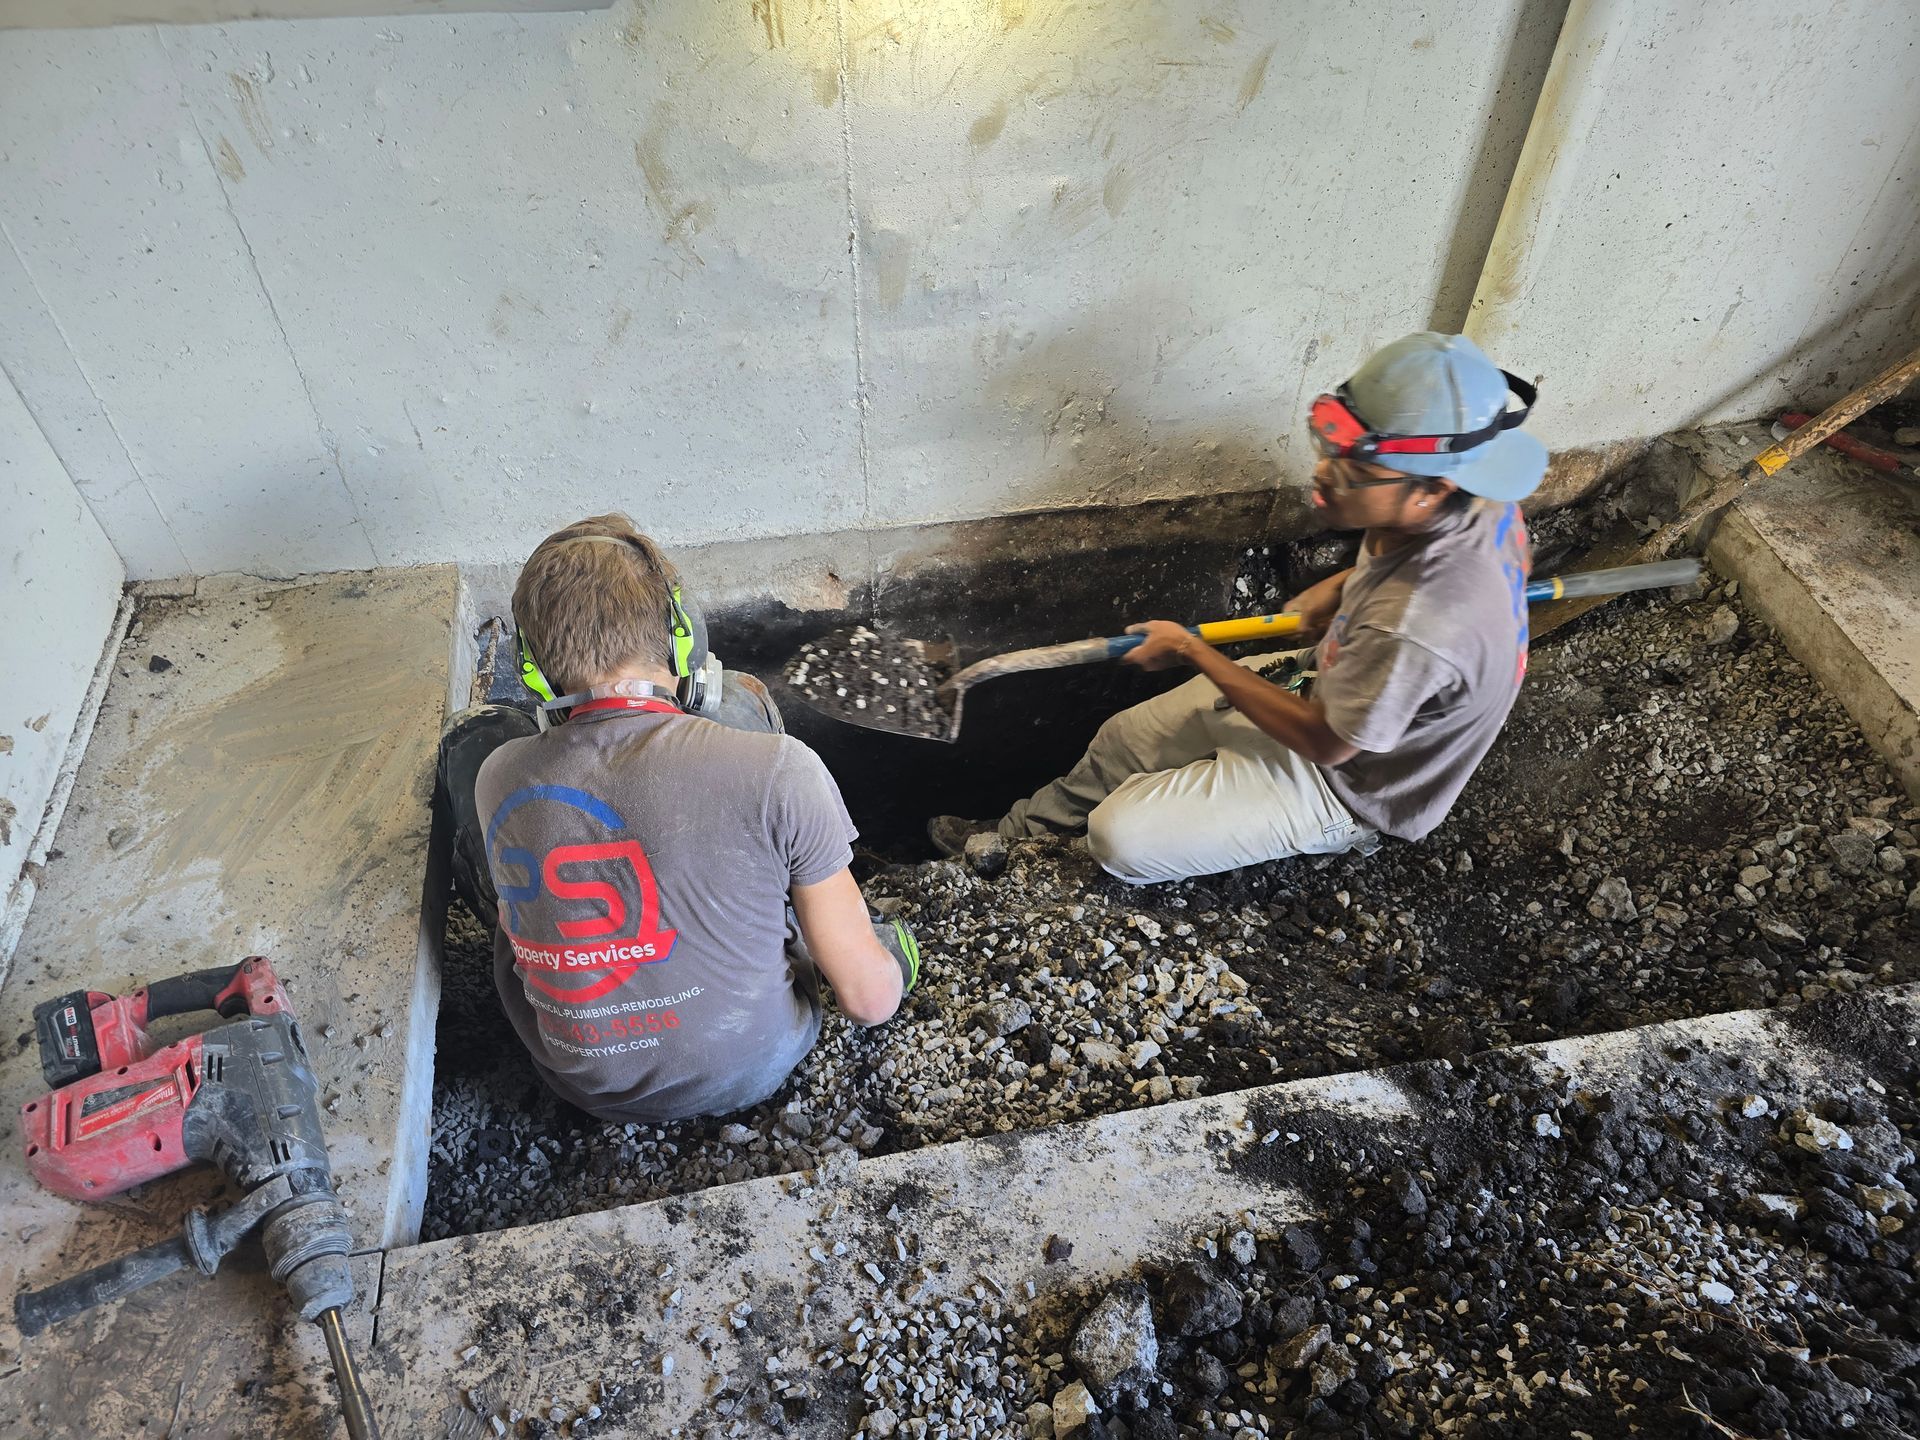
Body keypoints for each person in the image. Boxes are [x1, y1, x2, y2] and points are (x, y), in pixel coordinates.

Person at [930, 332, 1545, 886]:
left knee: (1121, 837)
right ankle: (1011, 839)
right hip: (1337, 677)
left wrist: (1193, 650)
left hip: (1350, 783)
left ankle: (1050, 874)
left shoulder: (1416, 622)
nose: (1325, 474)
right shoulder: (1481, 502)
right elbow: (1409, 582)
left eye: (1355, 472)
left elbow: (1328, 743)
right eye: (1329, 445)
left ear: (1431, 489)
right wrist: (1340, 590)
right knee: (1122, 738)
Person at [435, 514, 919, 1124]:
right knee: (743, 710)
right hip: (759, 1064)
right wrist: (891, 959)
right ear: (683, 636)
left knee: (471, 742)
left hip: (588, 1089)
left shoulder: (499, 774)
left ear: (532, 666)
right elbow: (870, 1003)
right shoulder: (779, 769)